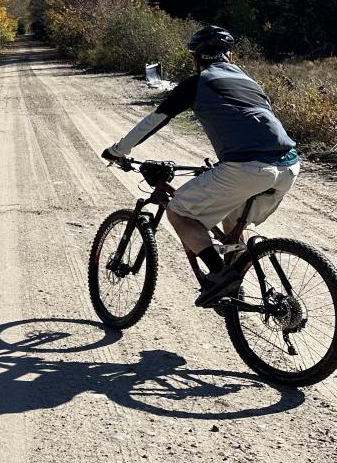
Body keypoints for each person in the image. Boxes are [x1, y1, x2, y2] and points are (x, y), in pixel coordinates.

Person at [101, 26, 300, 306]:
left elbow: (154, 121)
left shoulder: (197, 84)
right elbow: (253, 126)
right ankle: (236, 282)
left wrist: (118, 151)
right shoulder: (250, 82)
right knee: (232, 220)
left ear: (196, 59)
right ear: (229, 57)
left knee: (179, 212)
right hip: (289, 166)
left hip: (246, 168)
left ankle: (220, 275)